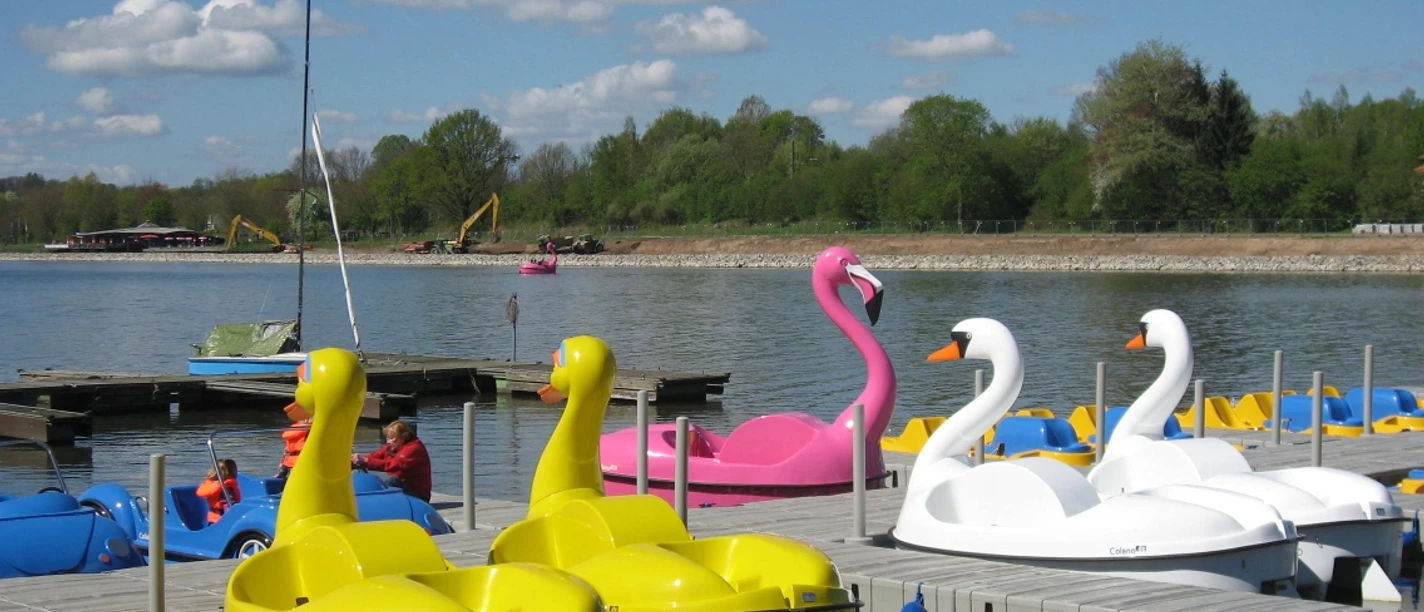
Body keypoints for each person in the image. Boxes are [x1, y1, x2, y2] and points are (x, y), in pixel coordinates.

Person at [352, 420, 432, 501]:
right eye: (387, 438)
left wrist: (366, 461)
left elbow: (394, 465)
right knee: (361, 472)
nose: (388, 441)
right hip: (403, 489)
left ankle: (374, 502)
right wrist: (354, 461)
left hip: (418, 497)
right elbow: (375, 456)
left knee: (392, 481)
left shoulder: (414, 448)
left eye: (392, 438)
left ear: (403, 437)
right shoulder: (392, 447)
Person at [197, 458, 241, 525]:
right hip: (216, 518)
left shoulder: (232, 484)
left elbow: (237, 500)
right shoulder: (211, 484)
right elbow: (200, 492)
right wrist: (218, 485)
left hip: (230, 516)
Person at [275, 401, 311, 479]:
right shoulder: (312, 430)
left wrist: (281, 472)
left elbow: (286, 452)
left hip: (289, 464)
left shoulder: (292, 429)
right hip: (303, 465)